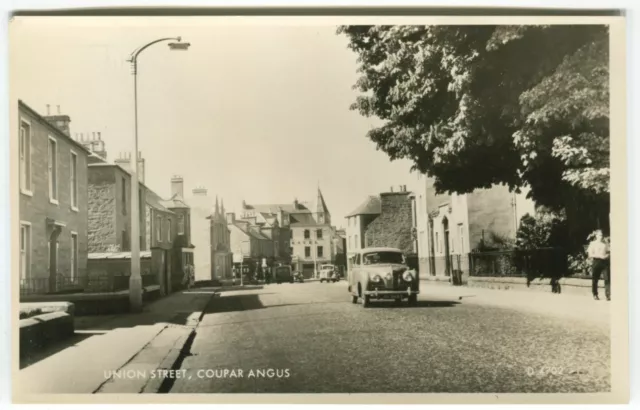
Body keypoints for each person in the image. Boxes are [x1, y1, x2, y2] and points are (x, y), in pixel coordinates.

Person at [587, 230, 610, 301]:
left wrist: (607, 256)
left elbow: (608, 251)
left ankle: (608, 295)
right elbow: (590, 254)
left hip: (604, 263)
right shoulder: (592, 243)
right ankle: (595, 294)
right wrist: (600, 256)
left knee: (607, 279)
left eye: (602, 235)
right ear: (596, 236)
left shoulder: (605, 243)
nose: (601, 237)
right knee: (595, 279)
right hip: (596, 262)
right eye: (599, 235)